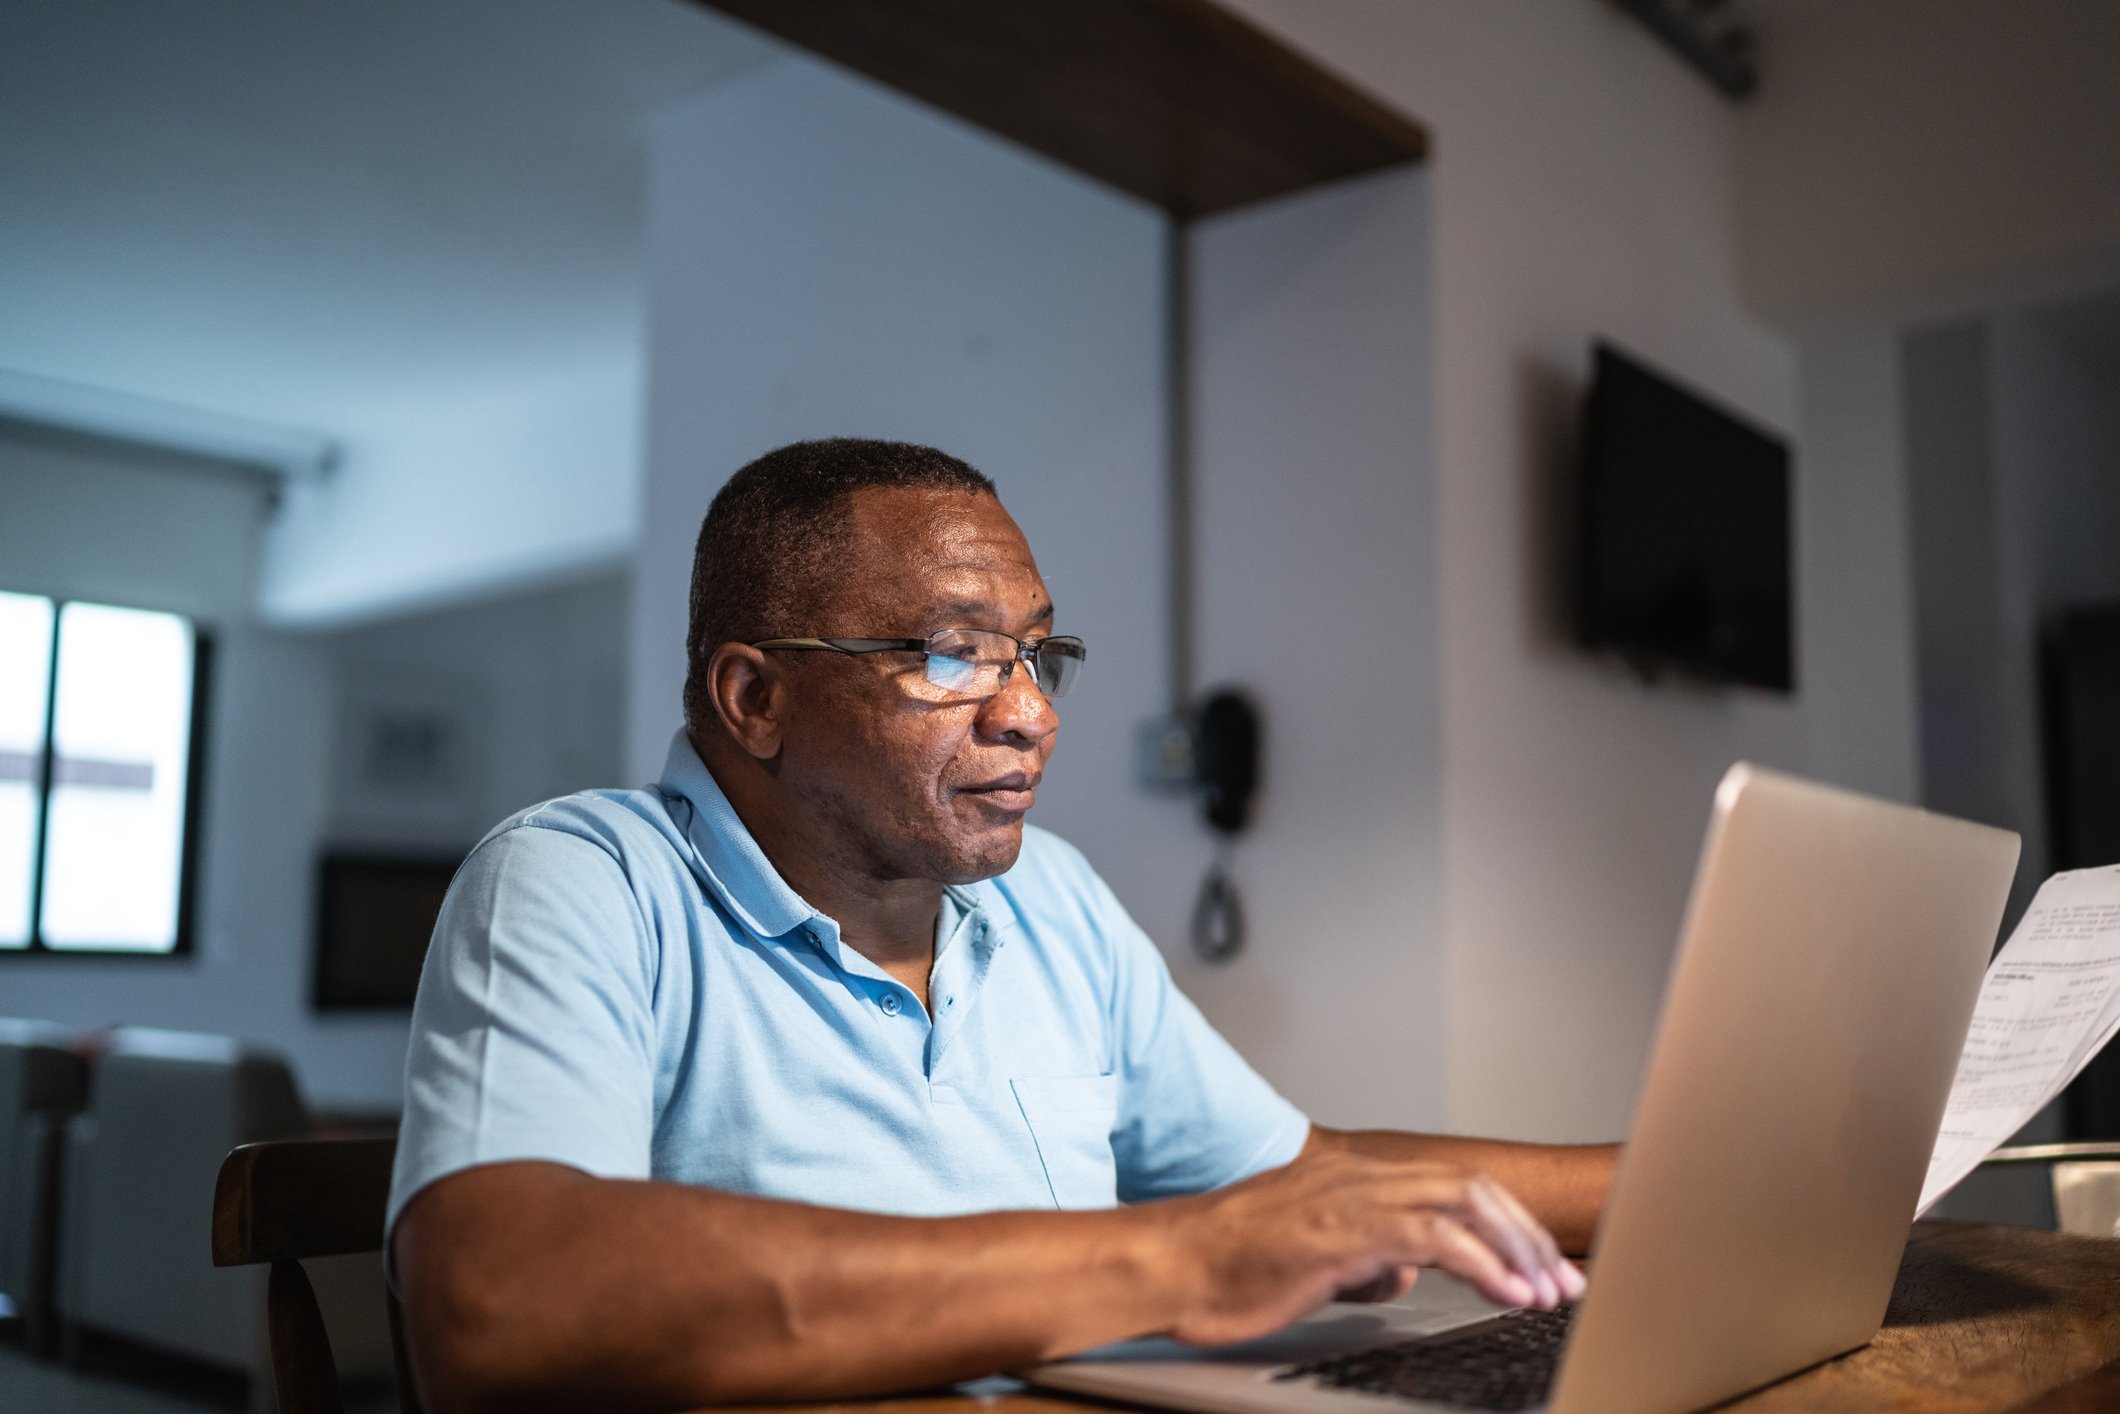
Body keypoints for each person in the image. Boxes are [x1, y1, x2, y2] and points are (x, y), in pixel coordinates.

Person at [387, 438, 1614, 1414]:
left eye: (1036, 655)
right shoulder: (580, 880)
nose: (1031, 714)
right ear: (754, 697)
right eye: (952, 656)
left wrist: (1665, 1182)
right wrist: (1182, 1259)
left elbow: (1292, 1182)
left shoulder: (1050, 897)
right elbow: (498, 1300)